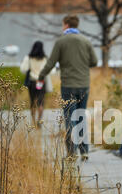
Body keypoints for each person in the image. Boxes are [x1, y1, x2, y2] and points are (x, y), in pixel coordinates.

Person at [38, 15, 98, 161]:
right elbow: (94, 61)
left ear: (66, 25)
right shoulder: (85, 41)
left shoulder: (61, 42)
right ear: (76, 25)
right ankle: (84, 151)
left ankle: (72, 152)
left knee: (70, 117)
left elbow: (51, 62)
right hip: (84, 84)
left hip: (68, 85)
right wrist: (82, 66)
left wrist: (41, 75)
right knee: (81, 115)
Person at [20, 41, 52, 128]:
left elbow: (23, 69)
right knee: (41, 102)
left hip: (32, 82)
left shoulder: (29, 58)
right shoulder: (45, 58)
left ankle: (33, 121)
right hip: (41, 82)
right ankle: (39, 121)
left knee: (32, 102)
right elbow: (50, 70)